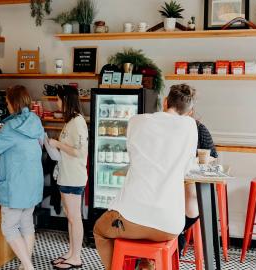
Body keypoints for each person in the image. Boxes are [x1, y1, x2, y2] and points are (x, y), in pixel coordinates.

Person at [93, 84, 199, 270]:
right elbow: (187, 169)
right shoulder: (190, 127)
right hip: (170, 225)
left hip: (131, 218)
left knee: (99, 231)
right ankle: (145, 263)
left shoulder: (136, 121)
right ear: (189, 111)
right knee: (147, 238)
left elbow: (134, 156)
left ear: (165, 102)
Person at [0, 85, 45, 270]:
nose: (7, 105)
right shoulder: (34, 120)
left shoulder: (11, 126)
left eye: (8, 102)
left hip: (16, 185)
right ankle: (25, 266)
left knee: (9, 228)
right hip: (33, 181)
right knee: (26, 223)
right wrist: (6, 132)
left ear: (13, 103)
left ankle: (28, 267)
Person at [48, 85, 88, 270]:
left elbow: (80, 152)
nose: (56, 102)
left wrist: (57, 143)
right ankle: (71, 253)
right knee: (71, 217)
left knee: (74, 218)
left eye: (58, 98)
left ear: (66, 100)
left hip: (73, 177)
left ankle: (76, 257)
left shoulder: (78, 122)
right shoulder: (70, 121)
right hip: (66, 175)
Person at [179, 112, 219, 253]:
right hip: (173, 182)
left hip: (191, 181)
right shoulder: (170, 129)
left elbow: (213, 156)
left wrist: (196, 161)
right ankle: (175, 234)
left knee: (190, 193)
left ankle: (177, 232)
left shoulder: (199, 129)